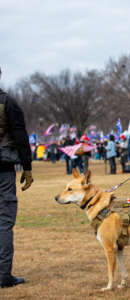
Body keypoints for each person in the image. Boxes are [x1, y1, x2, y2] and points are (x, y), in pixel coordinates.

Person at [0, 77, 34, 288]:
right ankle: (3, 275)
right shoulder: (8, 102)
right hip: (3, 169)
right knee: (4, 222)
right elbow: (20, 137)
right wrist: (27, 167)